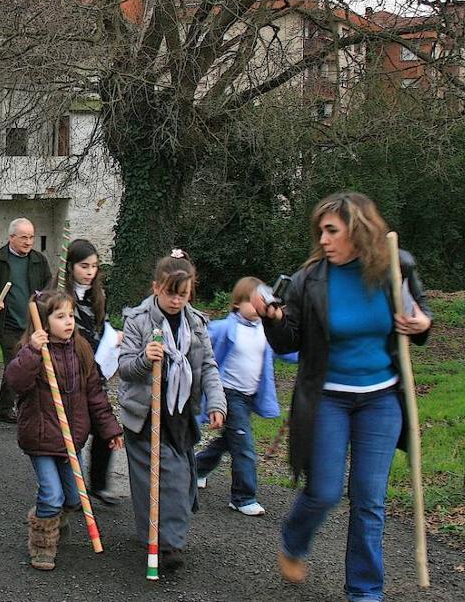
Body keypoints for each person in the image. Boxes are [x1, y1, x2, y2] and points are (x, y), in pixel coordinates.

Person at [252, 192, 431, 601]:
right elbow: (287, 342)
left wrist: (421, 322)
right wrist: (275, 319)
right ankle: (294, 540)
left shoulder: (395, 267)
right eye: (321, 231)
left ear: (359, 230)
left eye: (332, 230)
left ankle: (365, 591)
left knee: (369, 500)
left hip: (381, 400)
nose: (324, 239)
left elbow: (420, 314)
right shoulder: (309, 279)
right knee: (325, 491)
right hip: (328, 398)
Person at [117, 250, 225, 573]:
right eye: (170, 293)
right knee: (145, 483)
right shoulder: (137, 320)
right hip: (143, 414)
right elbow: (123, 368)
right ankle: (154, 538)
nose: (177, 300)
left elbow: (207, 366)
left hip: (177, 413)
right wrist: (143, 359)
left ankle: (172, 542)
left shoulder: (196, 323)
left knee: (178, 478)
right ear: (156, 288)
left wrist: (217, 402)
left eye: (184, 293)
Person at [5, 289, 123, 571]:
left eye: (70, 315)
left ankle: (54, 518)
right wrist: (33, 350)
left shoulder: (81, 350)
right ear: (44, 323)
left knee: (73, 497)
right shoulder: (33, 352)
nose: (69, 321)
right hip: (41, 436)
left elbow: (95, 393)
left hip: (73, 438)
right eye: (60, 317)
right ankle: (43, 543)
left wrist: (109, 429)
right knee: (52, 494)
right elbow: (16, 381)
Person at [194, 276, 297, 516]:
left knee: (231, 439)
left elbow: (288, 350)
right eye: (252, 302)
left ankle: (197, 467)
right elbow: (198, 345)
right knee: (245, 446)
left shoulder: (266, 330)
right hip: (229, 394)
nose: (257, 307)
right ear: (238, 303)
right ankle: (242, 496)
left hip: (251, 396)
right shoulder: (225, 328)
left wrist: (312, 352)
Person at [62, 238, 125, 503]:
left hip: (96, 369)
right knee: (74, 431)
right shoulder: (62, 296)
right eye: (84, 266)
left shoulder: (98, 294)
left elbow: (102, 324)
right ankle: (68, 489)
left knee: (103, 427)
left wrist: (113, 337)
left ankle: (99, 483)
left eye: (94, 267)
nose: (90, 272)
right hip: (71, 369)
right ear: (72, 266)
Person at [0, 217, 52, 423]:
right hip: (6, 324)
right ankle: (5, 409)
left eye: (31, 237)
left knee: (35, 362)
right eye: (23, 237)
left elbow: (48, 287)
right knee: (15, 360)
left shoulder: (38, 261)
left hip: (32, 324)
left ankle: (28, 405)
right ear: (11, 237)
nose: (28, 242)